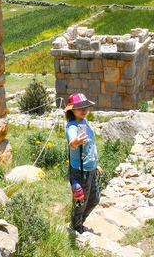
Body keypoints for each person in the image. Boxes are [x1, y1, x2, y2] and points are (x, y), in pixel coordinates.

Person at [65, 93, 103, 234]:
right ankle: (76, 229)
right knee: (80, 203)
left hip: (90, 169)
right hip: (80, 172)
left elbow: (90, 146)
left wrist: (95, 164)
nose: (84, 110)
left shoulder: (84, 123)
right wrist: (75, 142)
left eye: (85, 107)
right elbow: (72, 142)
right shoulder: (72, 127)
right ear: (72, 110)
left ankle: (79, 222)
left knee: (94, 199)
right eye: (80, 107)